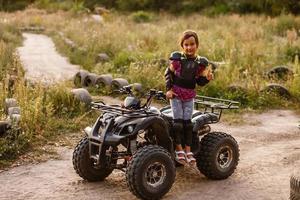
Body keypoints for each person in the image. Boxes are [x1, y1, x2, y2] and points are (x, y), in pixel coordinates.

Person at [164, 30, 213, 165]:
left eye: (192, 44)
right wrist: (168, 90)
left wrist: (207, 79)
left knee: (188, 124)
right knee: (178, 123)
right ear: (182, 46)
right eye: (186, 45)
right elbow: (168, 73)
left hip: (189, 96)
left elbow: (199, 82)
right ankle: (178, 149)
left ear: (197, 45)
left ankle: (188, 150)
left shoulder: (199, 63)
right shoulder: (177, 60)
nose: (189, 47)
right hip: (176, 95)